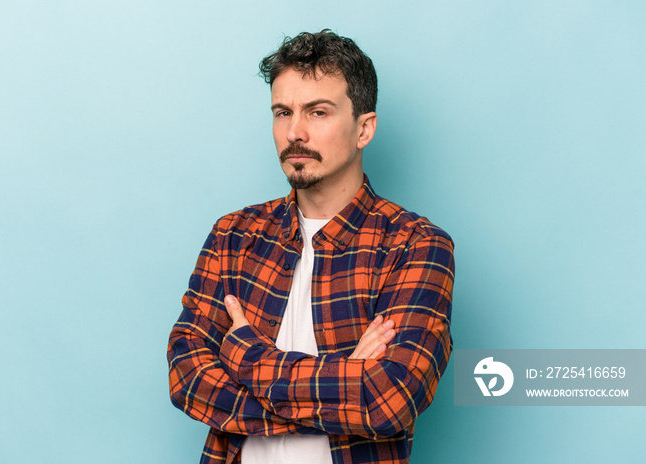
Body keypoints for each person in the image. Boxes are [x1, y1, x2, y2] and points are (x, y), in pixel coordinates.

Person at [167, 29, 455, 464]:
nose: (294, 132)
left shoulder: (415, 245)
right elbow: (187, 378)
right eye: (282, 112)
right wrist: (344, 381)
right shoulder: (234, 235)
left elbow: (386, 400)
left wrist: (245, 356)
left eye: (318, 112)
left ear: (364, 129)